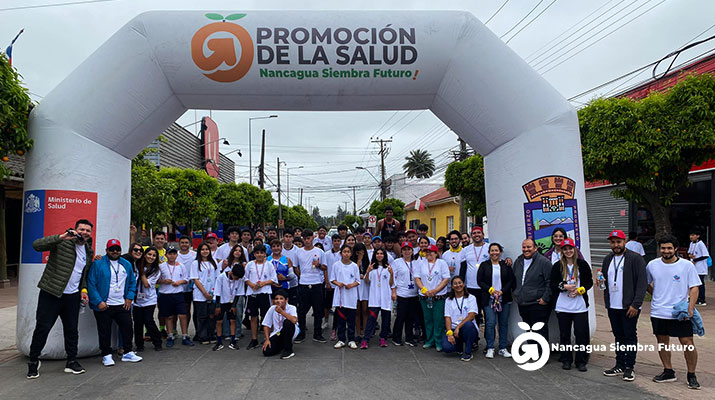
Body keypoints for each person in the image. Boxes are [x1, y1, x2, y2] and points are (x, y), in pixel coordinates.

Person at [27, 219, 94, 378]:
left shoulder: (88, 250)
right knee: (42, 328)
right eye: (82, 229)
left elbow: (83, 274)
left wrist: (83, 290)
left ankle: (71, 361)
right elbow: (36, 245)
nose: (84, 232)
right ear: (75, 229)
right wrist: (61, 237)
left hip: (72, 297)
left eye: (88, 230)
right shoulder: (62, 242)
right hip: (51, 293)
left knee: (72, 330)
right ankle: (33, 361)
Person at [647, 234, 702, 390]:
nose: (666, 251)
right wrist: (656, 295)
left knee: (687, 343)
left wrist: (690, 309)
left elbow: (695, 287)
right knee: (662, 342)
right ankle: (668, 371)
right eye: (663, 248)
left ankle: (692, 374)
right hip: (658, 311)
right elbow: (645, 283)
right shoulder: (652, 265)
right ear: (659, 249)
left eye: (669, 248)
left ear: (676, 249)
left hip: (680, 312)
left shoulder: (687, 266)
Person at [87, 239, 143, 366]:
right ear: (107, 250)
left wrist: (129, 298)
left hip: (122, 303)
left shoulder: (126, 264)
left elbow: (132, 283)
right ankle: (106, 355)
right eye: (112, 249)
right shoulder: (98, 263)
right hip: (104, 304)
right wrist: (98, 301)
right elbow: (91, 283)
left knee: (128, 328)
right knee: (104, 330)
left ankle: (127, 352)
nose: (115, 251)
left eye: (117, 249)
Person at [601, 229, 647, 382]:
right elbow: (606, 280)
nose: (616, 245)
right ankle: (619, 364)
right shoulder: (608, 259)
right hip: (612, 305)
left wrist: (636, 304)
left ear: (624, 241)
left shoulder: (636, 259)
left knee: (630, 336)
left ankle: (629, 367)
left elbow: (642, 283)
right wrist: (601, 283)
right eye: (613, 242)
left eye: (618, 242)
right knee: (618, 336)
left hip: (629, 306)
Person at [550, 238, 592, 371]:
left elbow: (589, 282)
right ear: (562, 251)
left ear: (574, 250)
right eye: (565, 249)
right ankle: (566, 359)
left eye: (570, 248)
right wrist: (564, 286)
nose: (568, 251)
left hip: (579, 306)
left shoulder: (582, 264)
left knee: (580, 334)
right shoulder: (557, 266)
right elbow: (552, 284)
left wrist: (580, 290)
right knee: (564, 334)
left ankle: (581, 361)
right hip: (563, 305)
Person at [477, 243, 515, 359]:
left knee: (503, 324)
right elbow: (480, 281)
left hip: (504, 298)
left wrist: (502, 291)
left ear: (500, 252)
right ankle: (490, 347)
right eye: (492, 251)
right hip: (489, 298)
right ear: (489, 253)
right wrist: (491, 290)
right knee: (490, 323)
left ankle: (502, 348)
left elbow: (511, 280)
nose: (494, 253)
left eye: (496, 250)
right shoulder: (484, 265)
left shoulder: (506, 265)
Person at [512, 238, 552, 346]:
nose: (526, 249)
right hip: (523, 303)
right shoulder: (519, 261)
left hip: (537, 303)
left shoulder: (544, 262)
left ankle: (542, 355)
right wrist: (516, 294)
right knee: (528, 329)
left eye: (529, 247)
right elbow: (513, 278)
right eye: (524, 247)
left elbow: (550, 282)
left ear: (535, 248)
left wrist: (545, 298)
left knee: (540, 331)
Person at [414, 244, 451, 351]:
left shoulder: (442, 263)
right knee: (428, 319)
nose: (429, 254)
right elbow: (417, 278)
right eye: (427, 252)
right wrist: (424, 290)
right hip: (425, 296)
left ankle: (438, 341)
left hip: (438, 296)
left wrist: (435, 290)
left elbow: (446, 279)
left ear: (436, 253)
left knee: (438, 319)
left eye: (431, 252)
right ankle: (429, 340)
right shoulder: (420, 263)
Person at [294, 229, 328, 343]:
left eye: (308, 238)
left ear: (313, 238)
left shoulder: (319, 252)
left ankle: (317, 334)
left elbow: (324, 267)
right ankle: (301, 333)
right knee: (302, 310)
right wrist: (302, 276)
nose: (307, 241)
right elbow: (295, 267)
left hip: (317, 283)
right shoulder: (298, 252)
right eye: (305, 239)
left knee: (318, 310)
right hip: (303, 284)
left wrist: (318, 265)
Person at [158, 247, 193, 347]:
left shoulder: (181, 266)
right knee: (169, 316)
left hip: (178, 293)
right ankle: (170, 336)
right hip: (166, 294)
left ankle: (185, 336)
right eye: (170, 254)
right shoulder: (161, 266)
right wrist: (164, 281)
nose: (172, 256)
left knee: (182, 315)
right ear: (166, 255)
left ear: (177, 255)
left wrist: (180, 282)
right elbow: (156, 280)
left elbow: (186, 278)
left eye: (174, 254)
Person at [245, 245, 278, 350]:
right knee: (253, 317)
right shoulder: (250, 264)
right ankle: (254, 339)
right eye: (257, 253)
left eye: (261, 253)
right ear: (254, 254)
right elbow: (245, 278)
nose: (259, 255)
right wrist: (251, 284)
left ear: (265, 254)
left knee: (266, 317)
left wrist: (263, 283)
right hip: (252, 293)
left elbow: (274, 279)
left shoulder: (269, 265)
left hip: (265, 293)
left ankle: (268, 338)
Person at [361, 249, 394, 349]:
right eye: (377, 254)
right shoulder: (371, 267)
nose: (379, 255)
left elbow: (391, 283)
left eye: (381, 254)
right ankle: (365, 339)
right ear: (375, 255)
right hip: (374, 298)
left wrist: (392, 274)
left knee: (386, 319)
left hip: (385, 297)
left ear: (384, 255)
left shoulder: (388, 268)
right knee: (371, 319)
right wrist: (367, 271)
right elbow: (367, 281)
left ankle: (383, 338)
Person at [330, 245, 361, 349]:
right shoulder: (336, 265)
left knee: (351, 319)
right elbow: (332, 279)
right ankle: (341, 339)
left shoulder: (354, 266)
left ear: (351, 254)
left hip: (351, 296)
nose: (346, 254)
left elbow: (358, 281)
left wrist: (351, 285)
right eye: (344, 252)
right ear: (341, 253)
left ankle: (351, 339)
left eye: (348, 252)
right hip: (340, 296)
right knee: (341, 320)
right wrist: (338, 283)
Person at [442, 276, 478, 361]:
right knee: (447, 348)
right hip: (454, 329)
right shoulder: (448, 300)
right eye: (455, 283)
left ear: (464, 284)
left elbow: (471, 315)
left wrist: (458, 327)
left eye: (460, 283)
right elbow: (447, 318)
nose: (458, 285)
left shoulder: (471, 298)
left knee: (468, 325)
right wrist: (450, 333)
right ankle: (459, 346)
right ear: (452, 286)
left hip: (467, 328)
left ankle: (468, 352)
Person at [133, 247, 162, 352]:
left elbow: (146, 284)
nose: (151, 257)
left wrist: (141, 272)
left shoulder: (156, 271)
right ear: (144, 255)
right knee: (138, 323)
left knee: (148, 321)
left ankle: (157, 341)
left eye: (154, 255)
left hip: (149, 299)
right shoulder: (136, 264)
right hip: (136, 300)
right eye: (149, 254)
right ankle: (139, 345)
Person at [189, 243, 218, 344]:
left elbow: (217, 278)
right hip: (200, 294)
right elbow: (195, 279)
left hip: (212, 293)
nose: (205, 251)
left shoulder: (213, 262)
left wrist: (213, 292)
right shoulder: (195, 263)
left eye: (207, 249)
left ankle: (211, 334)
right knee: (202, 316)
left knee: (211, 315)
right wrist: (205, 293)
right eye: (202, 249)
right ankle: (202, 336)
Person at [392, 242, 420, 347]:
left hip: (413, 294)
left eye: (409, 249)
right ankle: (396, 337)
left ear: (412, 251)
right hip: (402, 293)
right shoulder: (397, 262)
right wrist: (393, 291)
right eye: (404, 250)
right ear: (401, 251)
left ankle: (409, 337)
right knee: (401, 316)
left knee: (411, 317)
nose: (407, 251)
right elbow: (393, 277)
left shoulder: (416, 263)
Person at [213, 264, 244, 351]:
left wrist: (234, 306)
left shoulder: (240, 279)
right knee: (219, 321)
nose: (237, 279)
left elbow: (239, 293)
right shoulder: (221, 277)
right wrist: (218, 306)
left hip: (232, 302)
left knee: (233, 320)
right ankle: (219, 341)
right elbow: (217, 292)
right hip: (222, 302)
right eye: (236, 277)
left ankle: (233, 340)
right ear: (231, 273)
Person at [262, 290, 298, 359]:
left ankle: (288, 350)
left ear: (286, 300)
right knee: (267, 351)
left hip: (290, 331)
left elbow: (294, 320)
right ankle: (282, 345)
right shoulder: (272, 308)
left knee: (287, 322)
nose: (278, 301)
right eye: (276, 299)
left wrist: (281, 312)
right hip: (277, 333)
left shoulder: (292, 308)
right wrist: (267, 339)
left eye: (281, 298)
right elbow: (266, 325)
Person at [225, 244, 248, 339]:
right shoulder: (226, 262)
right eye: (236, 250)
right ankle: (226, 332)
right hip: (226, 291)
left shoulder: (245, 264)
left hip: (239, 290)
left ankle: (237, 332)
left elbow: (246, 277)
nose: (237, 252)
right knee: (227, 312)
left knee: (238, 312)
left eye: (240, 251)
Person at [176, 236, 196, 332]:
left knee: (187, 310)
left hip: (190, 287)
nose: (184, 244)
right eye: (182, 242)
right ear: (179, 244)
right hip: (176, 287)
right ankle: (174, 331)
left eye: (186, 242)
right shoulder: (174, 255)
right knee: (174, 311)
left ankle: (185, 331)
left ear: (190, 244)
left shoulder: (194, 255)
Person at [352, 243, 370, 339]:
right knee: (357, 311)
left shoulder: (368, 261)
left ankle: (365, 333)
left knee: (365, 310)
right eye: (358, 252)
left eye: (362, 252)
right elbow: (353, 272)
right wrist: (359, 260)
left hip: (365, 286)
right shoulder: (353, 262)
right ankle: (358, 333)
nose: (360, 254)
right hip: (356, 287)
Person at [687, 229, 709, 306]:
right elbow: (690, 252)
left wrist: (695, 260)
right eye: (691, 235)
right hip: (693, 267)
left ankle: (702, 299)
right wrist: (690, 255)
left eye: (693, 235)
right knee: (694, 283)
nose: (691, 237)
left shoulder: (700, 244)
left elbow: (705, 255)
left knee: (700, 283)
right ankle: (695, 298)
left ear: (698, 236)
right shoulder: (691, 243)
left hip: (700, 267)